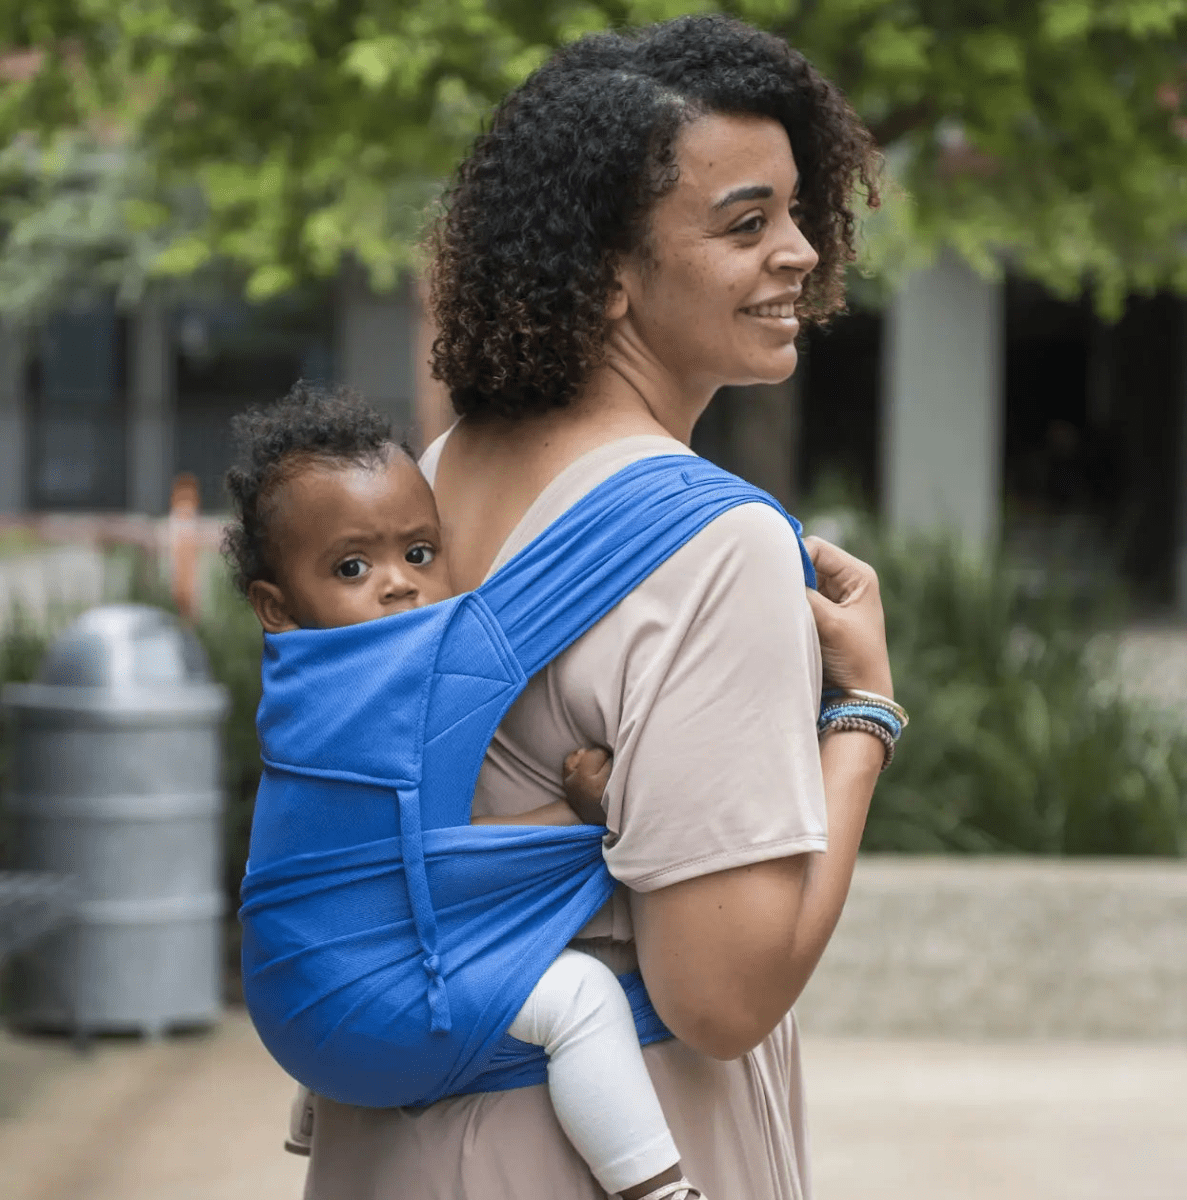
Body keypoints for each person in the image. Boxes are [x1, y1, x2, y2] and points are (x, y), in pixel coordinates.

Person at [301, 13, 890, 1200]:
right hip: (587, 1158)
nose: (798, 254)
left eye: (793, 212)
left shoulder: (448, 466)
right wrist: (865, 716)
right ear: (608, 274)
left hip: (399, 1143)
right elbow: (719, 996)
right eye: (744, 223)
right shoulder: (715, 546)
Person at [226, 385, 704, 1200]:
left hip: (293, 998)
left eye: (419, 553)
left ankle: (331, 1087)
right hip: (353, 1009)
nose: (398, 586)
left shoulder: (300, 693)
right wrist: (583, 816)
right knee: (580, 999)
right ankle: (661, 1191)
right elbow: (476, 863)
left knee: (371, 905)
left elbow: (409, 861)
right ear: (277, 607)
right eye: (352, 567)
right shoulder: (409, 680)